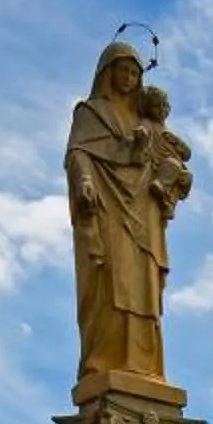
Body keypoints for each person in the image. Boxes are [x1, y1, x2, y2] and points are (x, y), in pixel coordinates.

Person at [67, 42, 191, 384]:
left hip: (144, 209)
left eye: (135, 73)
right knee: (109, 279)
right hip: (108, 204)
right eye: (124, 70)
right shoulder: (90, 112)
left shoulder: (145, 121)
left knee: (143, 284)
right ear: (108, 72)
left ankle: (145, 365)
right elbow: (78, 153)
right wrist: (85, 181)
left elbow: (170, 158)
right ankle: (104, 361)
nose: (129, 78)